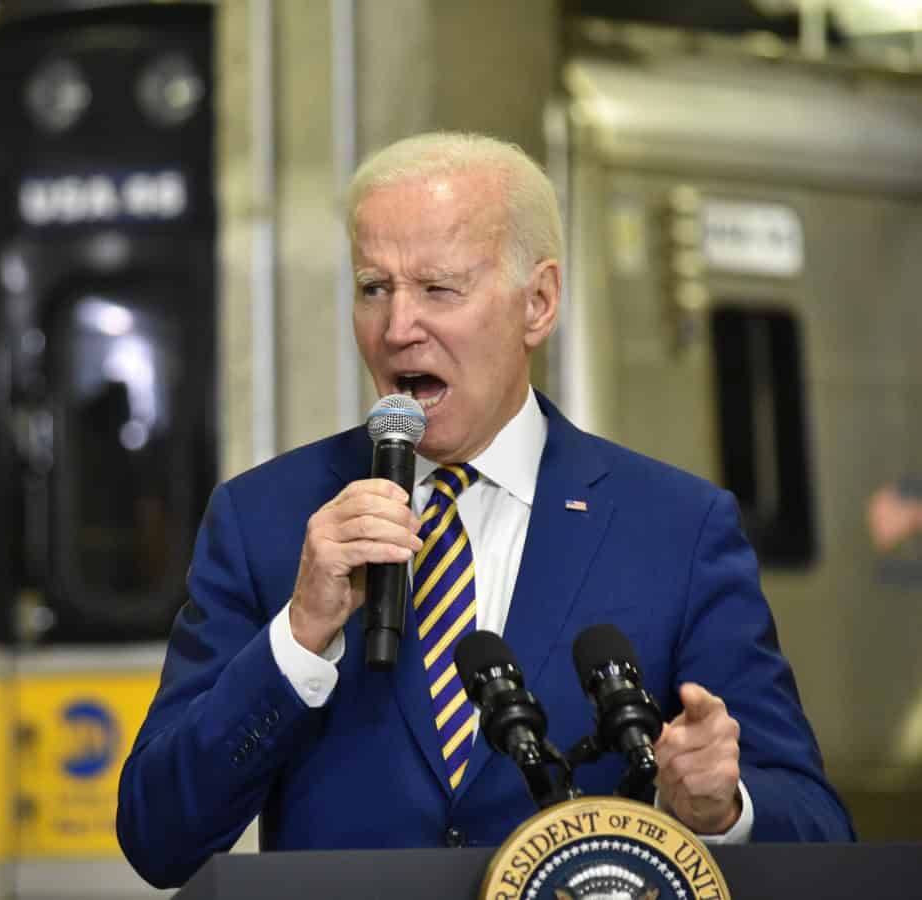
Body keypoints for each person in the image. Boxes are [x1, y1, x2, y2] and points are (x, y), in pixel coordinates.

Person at [116, 132, 854, 889]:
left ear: (537, 303)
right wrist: (298, 637)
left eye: (438, 289)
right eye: (373, 288)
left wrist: (721, 808)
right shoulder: (265, 519)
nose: (397, 326)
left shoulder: (675, 528)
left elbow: (819, 829)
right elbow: (156, 836)